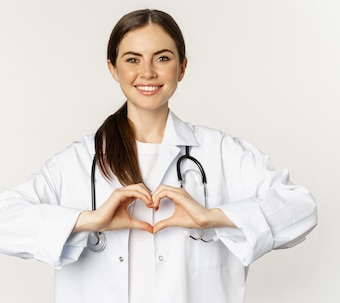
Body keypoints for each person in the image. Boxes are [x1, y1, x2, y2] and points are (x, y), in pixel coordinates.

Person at [0, 9, 317, 303]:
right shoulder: (79, 160)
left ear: (182, 67)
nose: (147, 72)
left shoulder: (222, 153)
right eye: (132, 59)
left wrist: (212, 217)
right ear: (113, 68)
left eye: (162, 58)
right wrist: (89, 221)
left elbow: (301, 210)